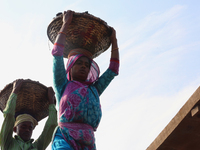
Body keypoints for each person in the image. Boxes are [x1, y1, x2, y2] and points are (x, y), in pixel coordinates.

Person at [51, 10, 119, 150]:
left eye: (87, 65)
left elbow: (113, 70)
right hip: (65, 138)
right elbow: (57, 54)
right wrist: (66, 24)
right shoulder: (62, 84)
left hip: (87, 142)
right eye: (79, 63)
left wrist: (114, 41)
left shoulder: (94, 89)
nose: (83, 67)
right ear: (70, 65)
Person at [0, 79, 58, 150]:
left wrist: (51, 102)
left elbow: (51, 127)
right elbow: (9, 116)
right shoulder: (7, 143)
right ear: (15, 129)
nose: (27, 130)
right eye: (23, 127)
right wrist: (15, 91)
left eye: (30, 128)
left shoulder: (37, 146)